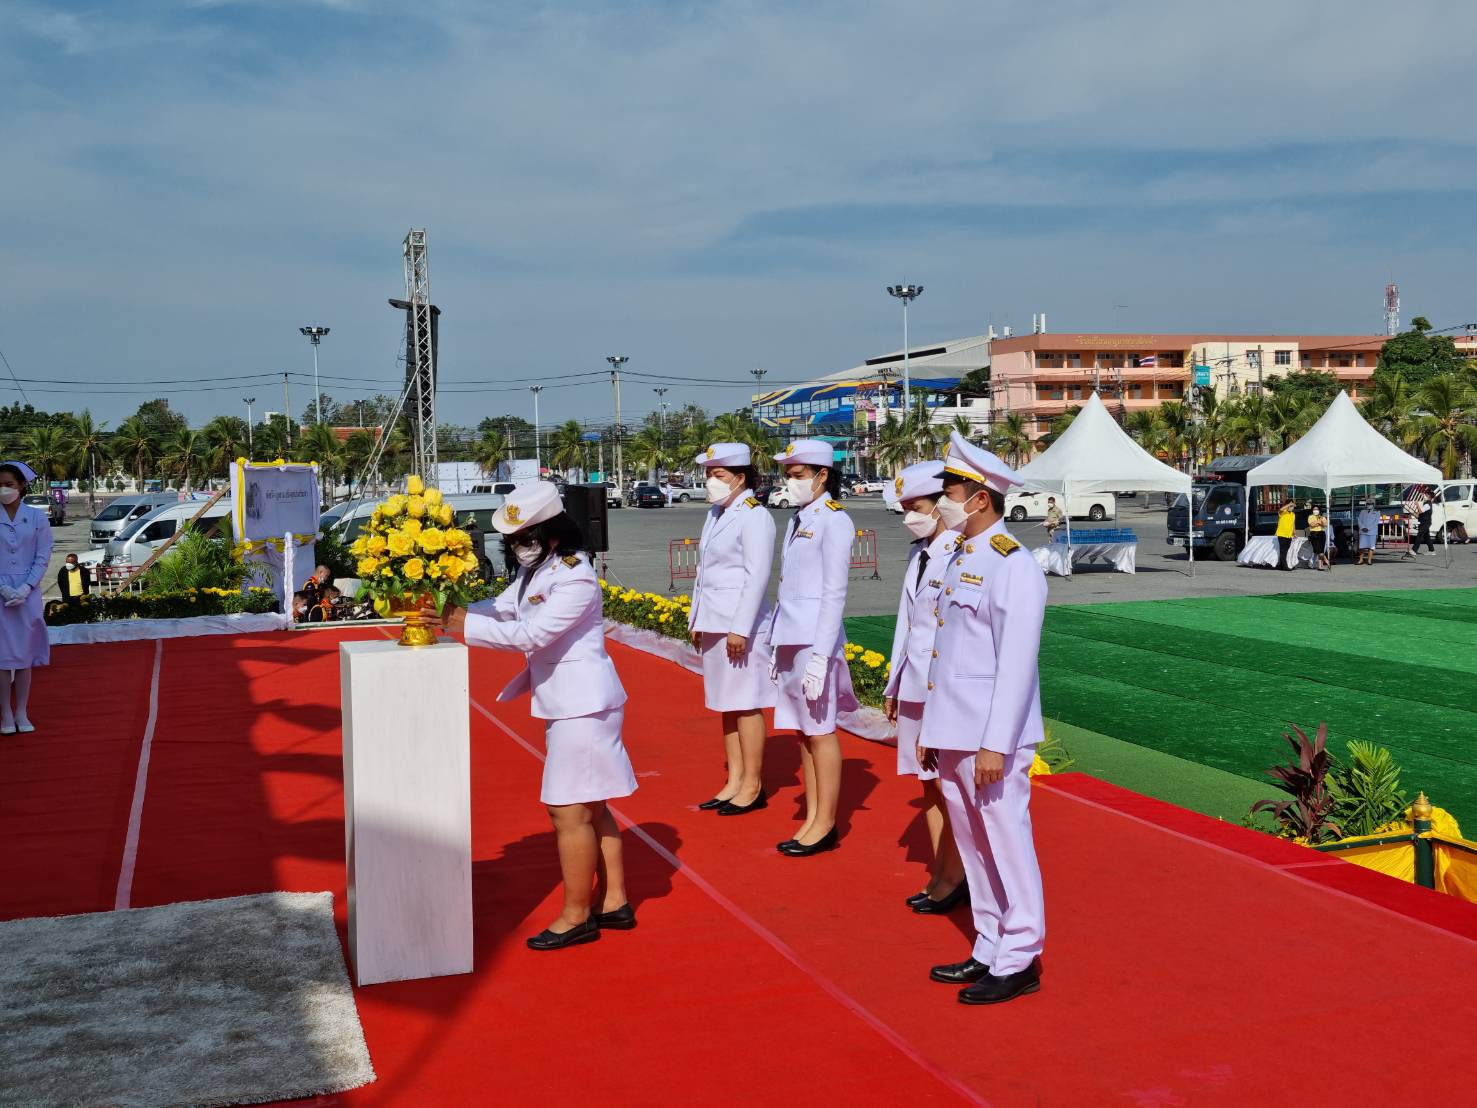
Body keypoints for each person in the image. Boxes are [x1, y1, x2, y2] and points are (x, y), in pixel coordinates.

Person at [438, 482, 637, 950]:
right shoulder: (540, 571)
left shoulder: (575, 576)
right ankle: (615, 902)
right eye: (511, 539)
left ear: (552, 534)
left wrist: (460, 624)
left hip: (583, 706)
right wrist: (453, 612)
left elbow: (532, 633)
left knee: (567, 811)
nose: (515, 547)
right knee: (592, 806)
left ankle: (576, 915)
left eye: (524, 537)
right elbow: (503, 608)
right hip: (571, 704)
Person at [919, 431, 1047, 1006]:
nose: (942, 500)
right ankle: (990, 940)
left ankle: (1021, 954)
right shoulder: (957, 555)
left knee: (1005, 838)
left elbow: (1015, 666)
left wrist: (997, 744)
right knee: (973, 844)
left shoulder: (1012, 565)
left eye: (950, 490)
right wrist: (932, 731)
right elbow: (944, 653)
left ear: (980, 498)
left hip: (993, 734)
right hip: (954, 728)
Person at [765, 439, 858, 857]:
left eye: (798, 474)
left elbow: (834, 593)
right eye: (789, 474)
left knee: (820, 732)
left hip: (814, 640)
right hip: (792, 636)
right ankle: (812, 816)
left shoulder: (834, 520)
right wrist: (775, 641)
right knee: (804, 733)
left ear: (822, 475)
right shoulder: (800, 517)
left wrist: (822, 655)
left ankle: (825, 823)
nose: (790, 480)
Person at [883, 461, 966, 914]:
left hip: (942, 690)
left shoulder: (959, 551)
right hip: (915, 684)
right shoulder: (921, 552)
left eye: (915, 507)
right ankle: (943, 870)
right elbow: (906, 623)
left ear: (940, 505)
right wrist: (894, 684)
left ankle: (955, 875)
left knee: (947, 786)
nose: (909, 517)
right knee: (928, 784)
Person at [688, 442, 777, 816]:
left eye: (718, 475)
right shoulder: (715, 513)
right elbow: (703, 572)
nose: (711, 481)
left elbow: (757, 576)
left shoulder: (755, 516)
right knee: (725, 704)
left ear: (740, 478)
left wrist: (739, 628)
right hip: (714, 620)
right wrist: (696, 617)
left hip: (742, 625)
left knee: (745, 704)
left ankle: (753, 783)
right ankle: (734, 779)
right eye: (709, 475)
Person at [0, 461, 53, 734]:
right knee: (2, 657)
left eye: (8, 484)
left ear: (21, 486)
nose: (3, 490)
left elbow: (42, 556)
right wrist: (3, 587)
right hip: (0, 594)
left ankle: (21, 711)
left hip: (27, 593)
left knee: (24, 656)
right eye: (0, 485)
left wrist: (26, 587)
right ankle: (5, 714)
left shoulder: (36, 518)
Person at [1306, 502, 1329, 570]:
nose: (1315, 510)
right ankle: (1326, 561)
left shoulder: (1322, 517)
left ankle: (1320, 566)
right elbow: (1312, 524)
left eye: (1317, 509)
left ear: (1319, 510)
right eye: (1314, 509)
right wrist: (1319, 522)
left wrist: (1318, 522)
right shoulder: (1310, 516)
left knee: (1321, 550)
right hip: (1314, 534)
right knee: (1317, 550)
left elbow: (1325, 525)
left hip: (1321, 533)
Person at [1275, 499, 1296, 570]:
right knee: (1283, 550)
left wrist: (1294, 532)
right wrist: (1288, 505)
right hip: (1281, 534)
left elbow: (1293, 524)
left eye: (1292, 505)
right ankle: (1285, 566)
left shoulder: (1293, 514)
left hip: (1289, 534)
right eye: (1290, 505)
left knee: (1285, 550)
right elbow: (1280, 509)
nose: (1291, 507)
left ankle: (1281, 565)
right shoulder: (1283, 512)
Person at [1357, 500, 1380, 566]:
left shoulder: (1377, 511)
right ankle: (1360, 560)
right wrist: (1362, 527)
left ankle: (1369, 560)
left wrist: (1368, 528)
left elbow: (1376, 522)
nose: (1369, 505)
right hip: (1363, 531)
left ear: (1373, 504)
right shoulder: (1362, 511)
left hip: (1372, 531)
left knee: (1371, 547)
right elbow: (1359, 520)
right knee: (1361, 547)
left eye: (1370, 503)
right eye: (1368, 503)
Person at [1415, 489, 1437, 556]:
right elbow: (1421, 513)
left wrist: (1417, 504)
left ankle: (1413, 550)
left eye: (1426, 495)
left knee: (1420, 536)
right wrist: (1417, 515)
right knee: (1427, 537)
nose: (1424, 496)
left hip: (1426, 522)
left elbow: (1421, 511)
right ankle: (1431, 550)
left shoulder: (1428, 504)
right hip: (1425, 522)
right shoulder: (1426, 503)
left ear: (1429, 496)